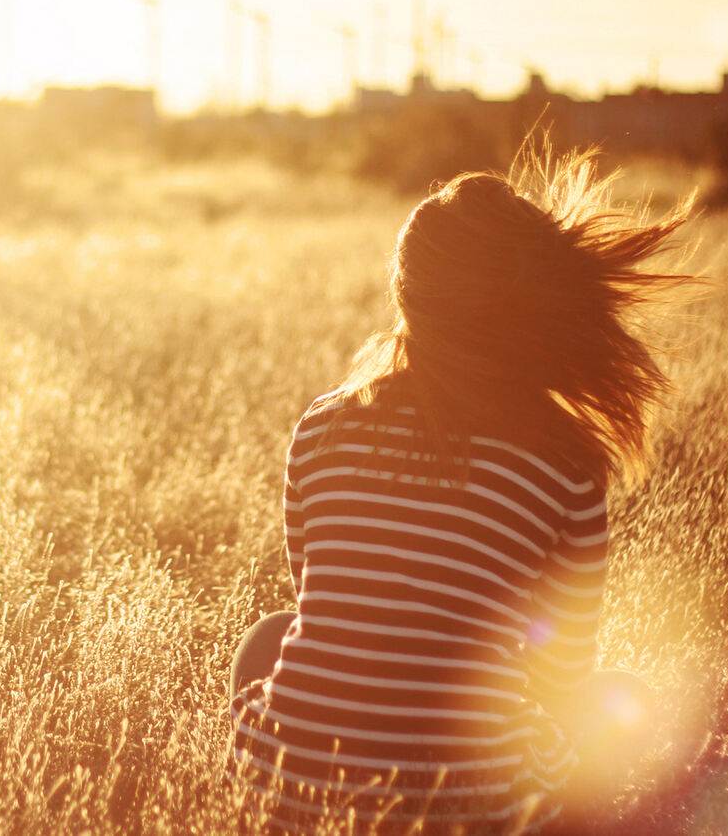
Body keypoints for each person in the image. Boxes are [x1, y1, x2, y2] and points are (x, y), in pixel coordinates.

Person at [229, 147, 695, 835]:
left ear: (407, 295)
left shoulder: (324, 426)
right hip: (474, 814)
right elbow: (561, 675)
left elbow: (318, 604)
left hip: (292, 796)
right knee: (619, 701)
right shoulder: (564, 462)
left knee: (268, 639)